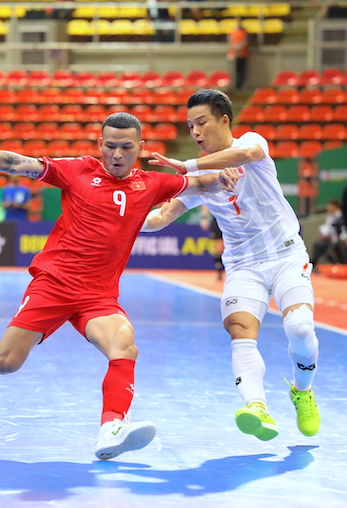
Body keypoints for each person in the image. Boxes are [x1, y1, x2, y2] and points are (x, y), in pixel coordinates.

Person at [0, 112, 240, 460]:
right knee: (8, 362)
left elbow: (198, 184)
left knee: (125, 346)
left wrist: (221, 174)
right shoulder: (78, 171)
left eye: (126, 147)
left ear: (141, 148)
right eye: (111, 146)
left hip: (99, 295)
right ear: (100, 144)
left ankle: (111, 429)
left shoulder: (151, 184)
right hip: (54, 283)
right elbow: (18, 163)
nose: (118, 155)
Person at [143, 89, 321, 442]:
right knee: (240, 331)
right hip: (243, 265)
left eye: (202, 122)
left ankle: (302, 391)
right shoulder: (200, 181)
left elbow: (243, 154)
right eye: (190, 125)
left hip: (285, 254)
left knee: (300, 329)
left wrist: (187, 165)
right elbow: (163, 216)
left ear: (224, 120)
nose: (195, 131)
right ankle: (257, 407)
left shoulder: (252, 144)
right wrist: (117, 217)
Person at [311, 199, 344, 265]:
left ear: (335, 206)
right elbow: (328, 229)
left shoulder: (341, 216)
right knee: (317, 245)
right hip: (330, 239)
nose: (328, 208)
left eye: (330, 206)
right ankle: (313, 264)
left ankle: (340, 264)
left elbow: (343, 229)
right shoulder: (329, 217)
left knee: (332, 247)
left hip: (340, 239)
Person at [199, 204, 224, 279]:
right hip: (217, 221)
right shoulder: (214, 193)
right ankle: (219, 271)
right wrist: (204, 218)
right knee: (219, 247)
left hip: (233, 221)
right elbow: (205, 204)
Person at [227, 17, 249, 90]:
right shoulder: (232, 32)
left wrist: (239, 49)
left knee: (241, 70)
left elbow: (245, 42)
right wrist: (234, 50)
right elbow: (230, 42)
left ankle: (240, 86)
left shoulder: (244, 32)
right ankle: (234, 85)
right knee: (234, 70)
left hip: (242, 54)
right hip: (234, 54)